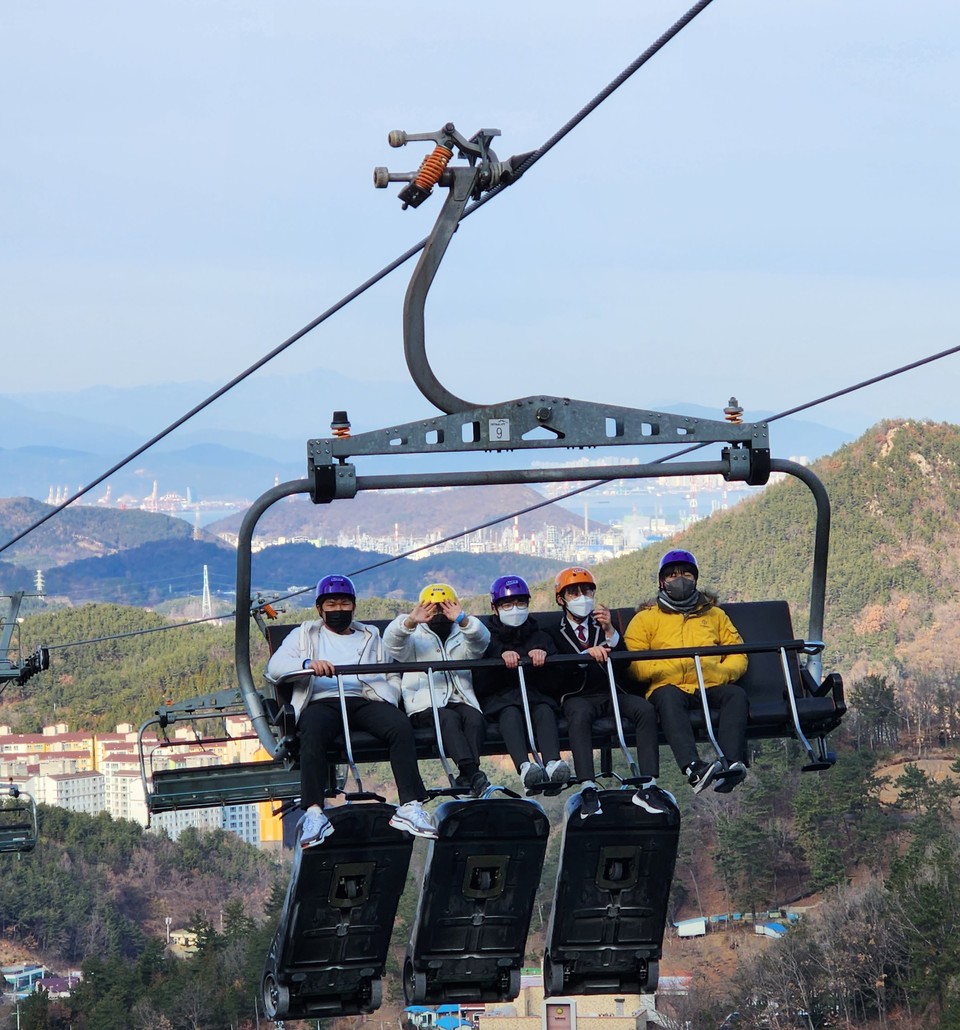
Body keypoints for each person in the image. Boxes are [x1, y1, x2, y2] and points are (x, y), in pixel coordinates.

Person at [266, 574, 438, 846]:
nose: (338, 610)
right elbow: (275, 668)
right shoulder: (304, 635)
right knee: (312, 733)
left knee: (399, 726)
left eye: (344, 604)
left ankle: (410, 805)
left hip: (363, 698)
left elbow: (390, 670)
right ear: (320, 609)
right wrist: (308, 663)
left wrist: (388, 696)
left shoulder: (369, 635)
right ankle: (314, 811)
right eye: (331, 604)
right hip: (323, 700)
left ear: (353, 607)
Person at [545, 566, 667, 818]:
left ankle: (648, 783)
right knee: (579, 717)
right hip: (578, 696)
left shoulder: (605, 626)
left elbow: (624, 665)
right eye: (574, 593)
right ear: (561, 599)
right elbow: (554, 675)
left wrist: (611, 633)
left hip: (611, 691)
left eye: (587, 591)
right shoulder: (552, 632)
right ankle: (588, 786)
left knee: (644, 709)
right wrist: (583, 657)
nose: (582, 597)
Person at [624, 549, 749, 794]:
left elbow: (738, 653)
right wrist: (665, 668)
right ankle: (693, 767)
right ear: (662, 581)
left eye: (686, 574)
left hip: (708, 683)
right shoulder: (646, 619)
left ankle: (731, 762)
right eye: (672, 575)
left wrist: (721, 673)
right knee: (668, 697)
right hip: (667, 686)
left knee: (735, 695)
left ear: (695, 579)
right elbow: (632, 663)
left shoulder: (715, 615)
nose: (679, 580)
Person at [383, 583, 492, 796]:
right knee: (448, 718)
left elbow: (481, 642)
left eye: (443, 608)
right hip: (425, 703)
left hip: (460, 697)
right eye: (433, 609)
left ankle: (467, 775)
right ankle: (473, 772)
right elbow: (392, 643)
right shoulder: (413, 636)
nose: (439, 614)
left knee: (475, 718)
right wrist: (411, 621)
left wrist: (462, 619)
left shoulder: (463, 633)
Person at [475, 575, 570, 793]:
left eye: (520, 604)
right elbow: (481, 682)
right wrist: (499, 660)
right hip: (502, 700)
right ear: (495, 608)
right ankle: (525, 767)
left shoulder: (540, 637)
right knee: (509, 714)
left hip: (537, 695)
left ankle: (553, 763)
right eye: (508, 605)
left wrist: (542, 663)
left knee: (545, 711)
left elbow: (557, 682)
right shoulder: (487, 640)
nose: (515, 609)